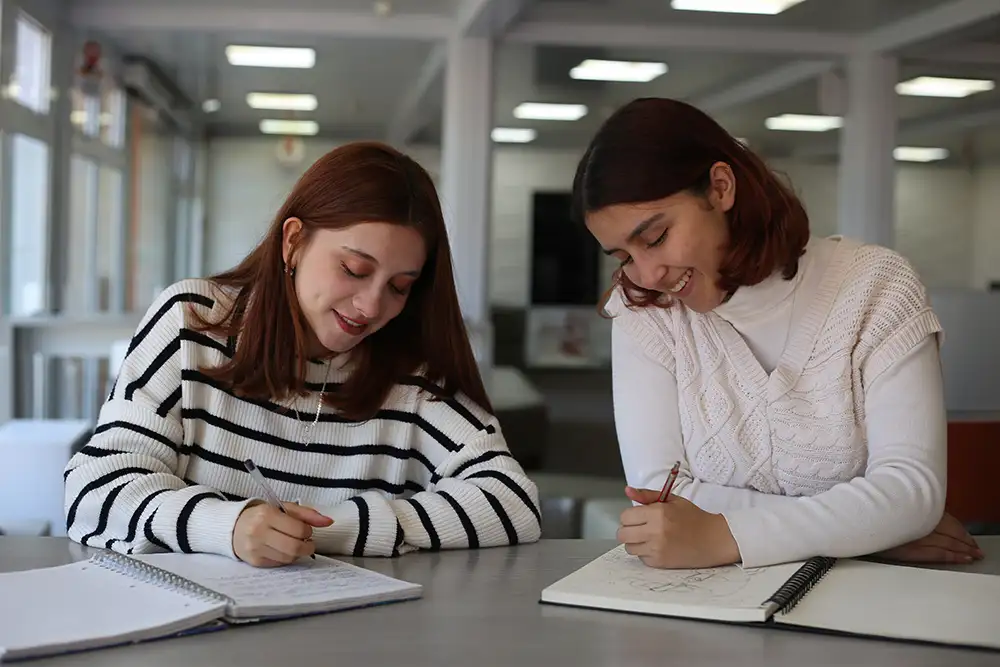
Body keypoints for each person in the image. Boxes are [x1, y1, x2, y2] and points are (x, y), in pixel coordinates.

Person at [64, 141, 541, 567]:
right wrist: (224, 526)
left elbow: (512, 501)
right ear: (293, 242)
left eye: (400, 287)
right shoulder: (194, 321)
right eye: (354, 269)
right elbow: (93, 489)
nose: (372, 306)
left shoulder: (410, 371)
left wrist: (334, 529)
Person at [573, 97, 982, 571]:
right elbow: (665, 491)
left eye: (656, 237)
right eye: (623, 257)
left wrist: (725, 535)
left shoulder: (877, 288)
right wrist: (872, 534)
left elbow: (910, 490)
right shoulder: (644, 311)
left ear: (720, 188)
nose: (647, 274)